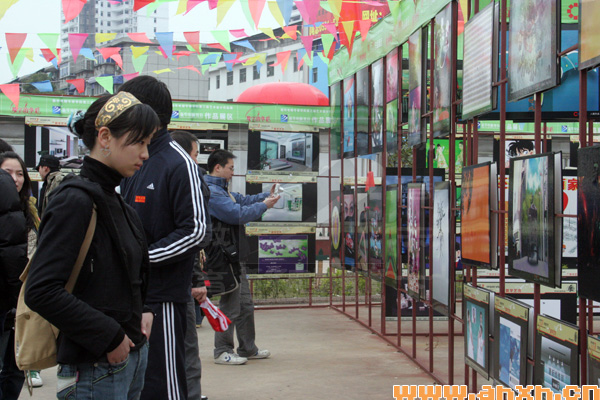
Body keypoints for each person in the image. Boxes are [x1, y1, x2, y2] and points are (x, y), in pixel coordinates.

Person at [25, 92, 159, 400]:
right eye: (139, 142)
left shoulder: (118, 203)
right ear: (105, 137)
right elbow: (41, 290)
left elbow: (122, 277)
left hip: (130, 359)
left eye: (149, 143)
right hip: (94, 367)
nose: (145, 154)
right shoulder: (75, 200)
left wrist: (144, 309)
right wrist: (109, 336)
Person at [118, 76, 208, 400]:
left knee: (163, 386)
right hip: (132, 296)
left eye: (126, 109)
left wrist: (142, 258)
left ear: (148, 115)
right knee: (138, 385)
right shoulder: (134, 161)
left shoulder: (178, 163)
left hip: (163, 299)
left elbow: (196, 230)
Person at [205, 149, 278, 365]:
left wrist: (265, 196)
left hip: (234, 255)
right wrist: (264, 205)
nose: (233, 172)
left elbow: (243, 201)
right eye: (230, 168)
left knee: (245, 304)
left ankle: (247, 348)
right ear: (217, 167)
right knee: (230, 304)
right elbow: (237, 214)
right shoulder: (212, 192)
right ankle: (222, 350)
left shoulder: (222, 190)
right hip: (223, 256)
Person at [170, 130, 211, 400]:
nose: (196, 161)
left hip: (171, 277)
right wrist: (197, 279)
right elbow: (193, 237)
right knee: (185, 345)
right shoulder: (190, 180)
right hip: (176, 280)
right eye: (195, 155)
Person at [0, 151, 33, 399]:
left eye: (19, 173)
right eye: (8, 172)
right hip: (7, 298)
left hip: (23, 304)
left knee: (16, 369)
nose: (15, 178)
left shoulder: (30, 210)